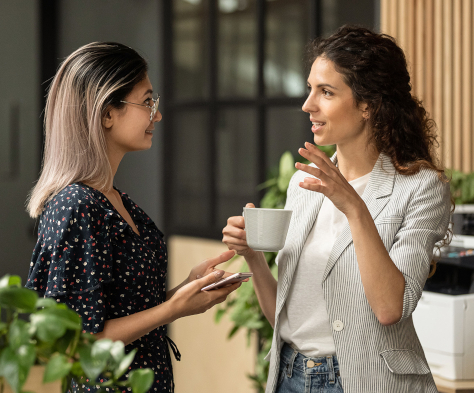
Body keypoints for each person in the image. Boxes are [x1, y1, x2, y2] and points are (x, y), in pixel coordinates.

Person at [223, 25, 452, 393]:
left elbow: (390, 308)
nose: (307, 104)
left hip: (364, 382)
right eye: (310, 88)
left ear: (367, 105)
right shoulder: (304, 184)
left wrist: (353, 207)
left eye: (326, 92)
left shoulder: (421, 189)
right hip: (289, 377)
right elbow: (286, 320)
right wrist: (251, 255)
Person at [26, 42, 241, 393]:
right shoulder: (76, 206)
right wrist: (173, 309)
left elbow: (123, 310)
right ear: (106, 113)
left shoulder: (115, 200)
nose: (156, 115)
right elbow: (79, 340)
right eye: (147, 102)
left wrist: (184, 291)